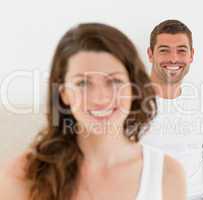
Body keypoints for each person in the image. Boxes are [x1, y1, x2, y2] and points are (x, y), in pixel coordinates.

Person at [0, 23, 186, 200]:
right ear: (64, 93)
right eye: (83, 83)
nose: (100, 98)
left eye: (114, 81)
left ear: (133, 88)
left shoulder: (168, 174)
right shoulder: (24, 175)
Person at [141, 19, 203, 200]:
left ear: (191, 56)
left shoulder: (202, 105)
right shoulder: (126, 104)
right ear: (150, 54)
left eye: (181, 50)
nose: (173, 58)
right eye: (164, 50)